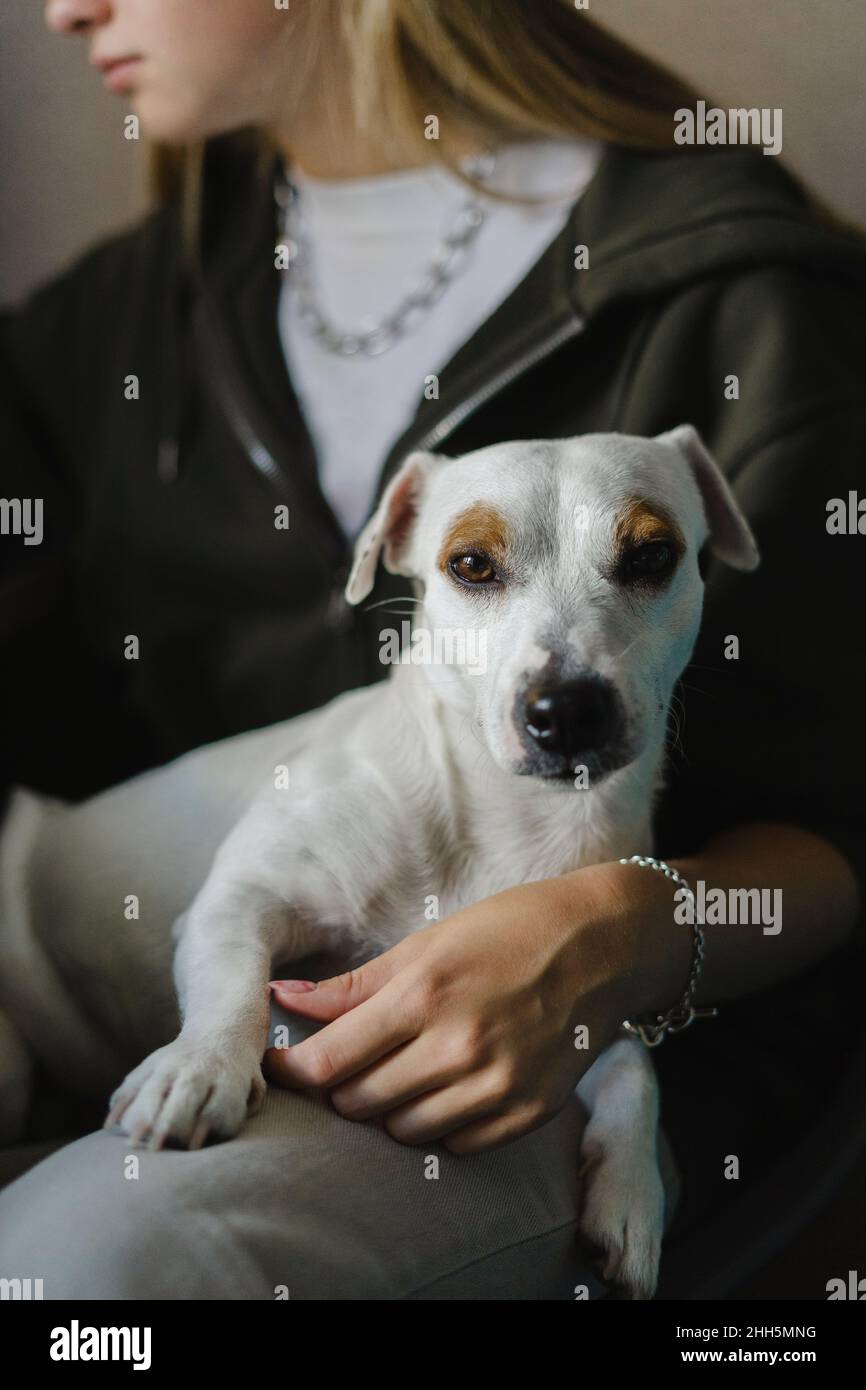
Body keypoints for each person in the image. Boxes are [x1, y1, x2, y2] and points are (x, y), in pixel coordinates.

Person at [0, 0, 863, 1299]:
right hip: (132, 953)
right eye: (472, 567)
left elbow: (838, 816)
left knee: (95, 1265)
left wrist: (625, 929)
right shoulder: (126, 312)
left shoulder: (737, 288)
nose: (66, 8)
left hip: (596, 1040)